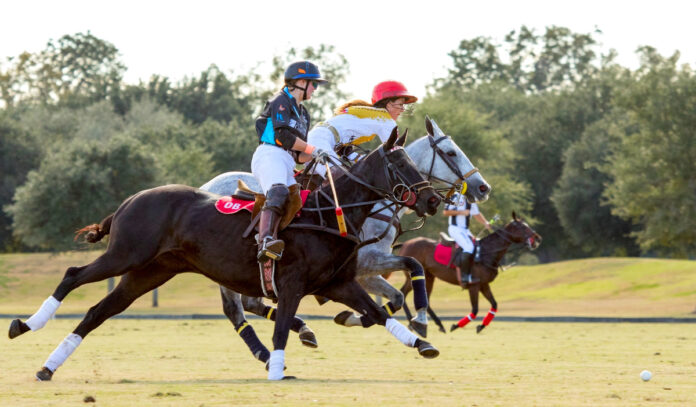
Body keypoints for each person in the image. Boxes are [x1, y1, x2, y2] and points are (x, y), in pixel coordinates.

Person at [251, 60, 329, 262]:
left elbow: (298, 156)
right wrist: (312, 148)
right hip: (269, 154)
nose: (315, 89)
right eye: (314, 84)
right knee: (278, 191)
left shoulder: (304, 114)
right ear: (301, 82)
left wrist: (316, 155)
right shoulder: (281, 100)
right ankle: (266, 240)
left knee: (297, 201)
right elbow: (282, 137)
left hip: (287, 160)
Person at [307, 80, 418, 178]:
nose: (402, 109)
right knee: (341, 178)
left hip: (316, 142)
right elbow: (395, 153)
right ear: (389, 104)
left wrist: (364, 160)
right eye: (400, 104)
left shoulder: (370, 117)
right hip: (320, 142)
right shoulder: (386, 121)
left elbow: (347, 151)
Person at [442, 192, 493, 286]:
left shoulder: (471, 198)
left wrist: (485, 223)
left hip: (465, 230)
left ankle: (474, 272)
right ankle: (464, 277)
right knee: (469, 248)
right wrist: (461, 212)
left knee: (477, 245)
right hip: (455, 228)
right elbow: (446, 212)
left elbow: (476, 213)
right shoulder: (454, 196)